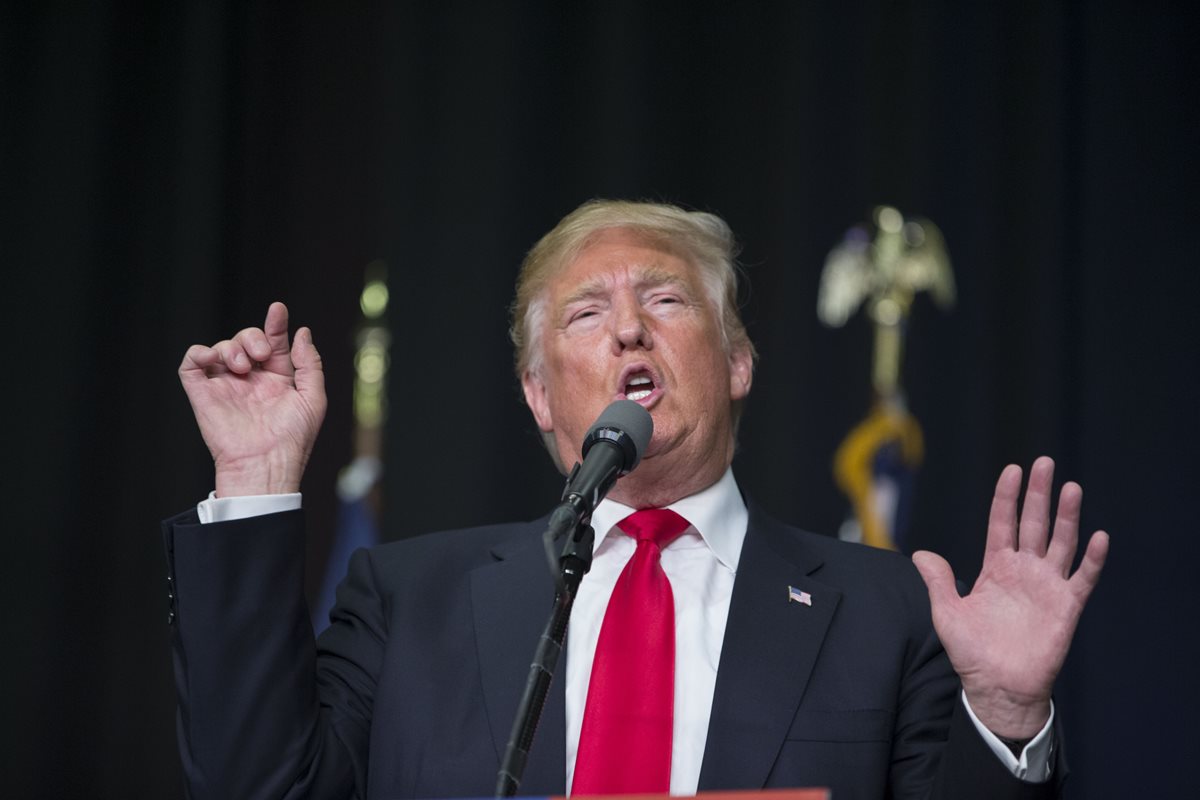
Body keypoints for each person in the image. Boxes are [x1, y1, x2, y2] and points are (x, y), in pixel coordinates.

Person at [166, 200, 1108, 799]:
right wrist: (253, 483)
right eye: (586, 313)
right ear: (538, 393)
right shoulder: (410, 598)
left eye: (665, 300)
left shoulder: (887, 609)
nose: (626, 328)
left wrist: (1006, 721)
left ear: (737, 361)